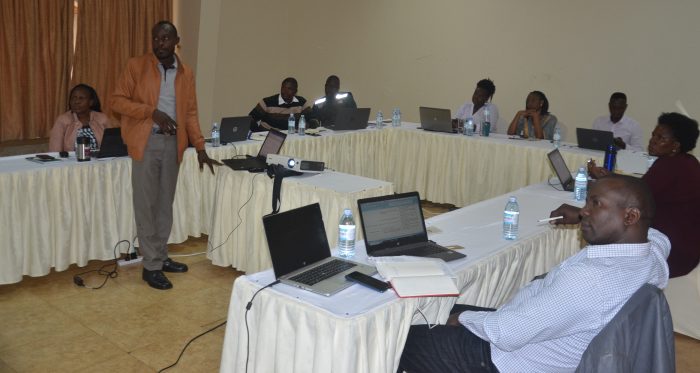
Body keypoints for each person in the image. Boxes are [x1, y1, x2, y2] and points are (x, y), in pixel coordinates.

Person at [399, 175, 670, 372]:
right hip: (533, 340)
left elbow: (506, 333)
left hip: (506, 359)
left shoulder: (591, 280)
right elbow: (660, 237)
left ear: (630, 217)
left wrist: (464, 319)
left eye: (596, 204)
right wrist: (583, 215)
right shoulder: (650, 257)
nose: (585, 211)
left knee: (403, 340)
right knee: (442, 310)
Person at [110, 21, 221, 290]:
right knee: (146, 204)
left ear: (176, 41)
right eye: (156, 39)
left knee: (164, 204)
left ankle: (159, 256)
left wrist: (200, 146)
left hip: (174, 145)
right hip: (145, 142)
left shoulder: (186, 72)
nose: (160, 43)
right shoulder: (136, 66)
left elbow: (191, 113)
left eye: (165, 39)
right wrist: (152, 112)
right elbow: (117, 101)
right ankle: (150, 267)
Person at [587, 112, 700, 278]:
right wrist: (610, 177)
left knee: (610, 223)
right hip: (689, 247)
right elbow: (643, 186)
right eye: (654, 134)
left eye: (661, 138)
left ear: (675, 145)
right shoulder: (688, 161)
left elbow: (635, 195)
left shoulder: (669, 165)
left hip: (671, 252)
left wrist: (606, 181)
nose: (653, 140)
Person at [49, 84, 110, 152]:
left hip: (99, 162)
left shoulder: (102, 119)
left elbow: (112, 146)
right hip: (71, 162)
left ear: (91, 102)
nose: (76, 102)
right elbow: (55, 151)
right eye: (73, 98)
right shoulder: (63, 120)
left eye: (81, 98)